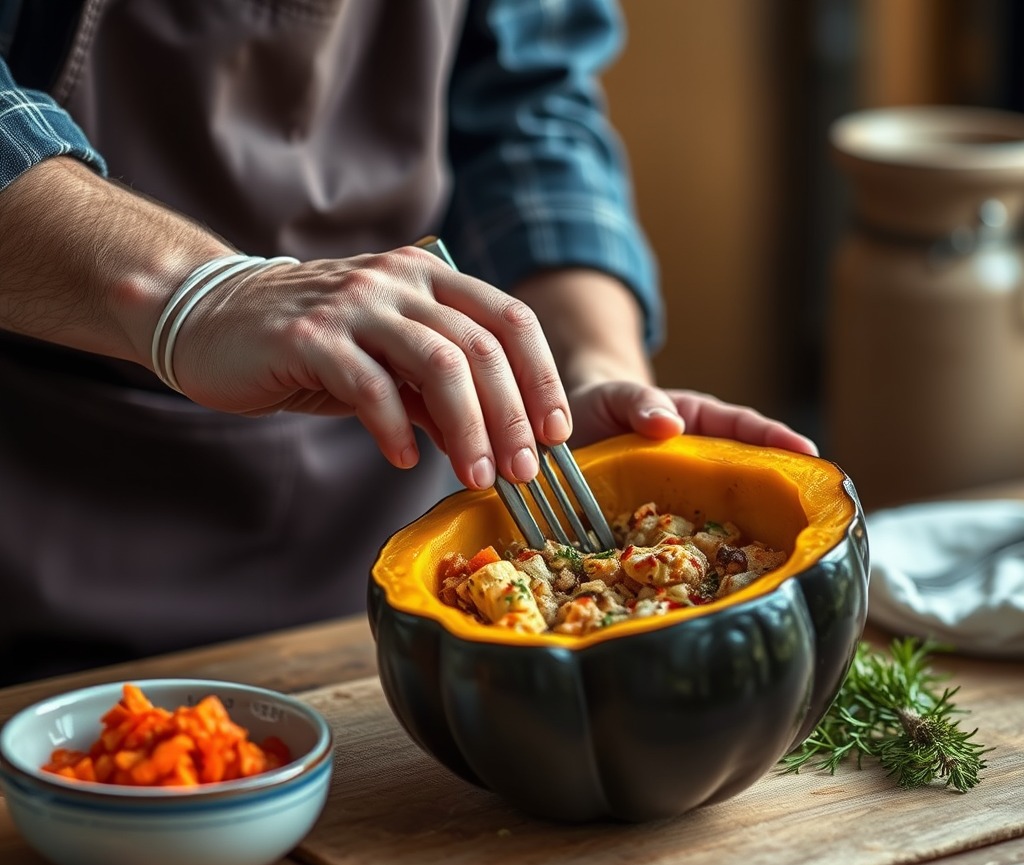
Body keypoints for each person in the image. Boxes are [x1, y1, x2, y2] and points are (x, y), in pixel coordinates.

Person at [0, 0, 816, 685]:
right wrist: (194, 292)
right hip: (49, 537)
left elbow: (527, 111)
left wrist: (588, 372)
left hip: (404, 523)